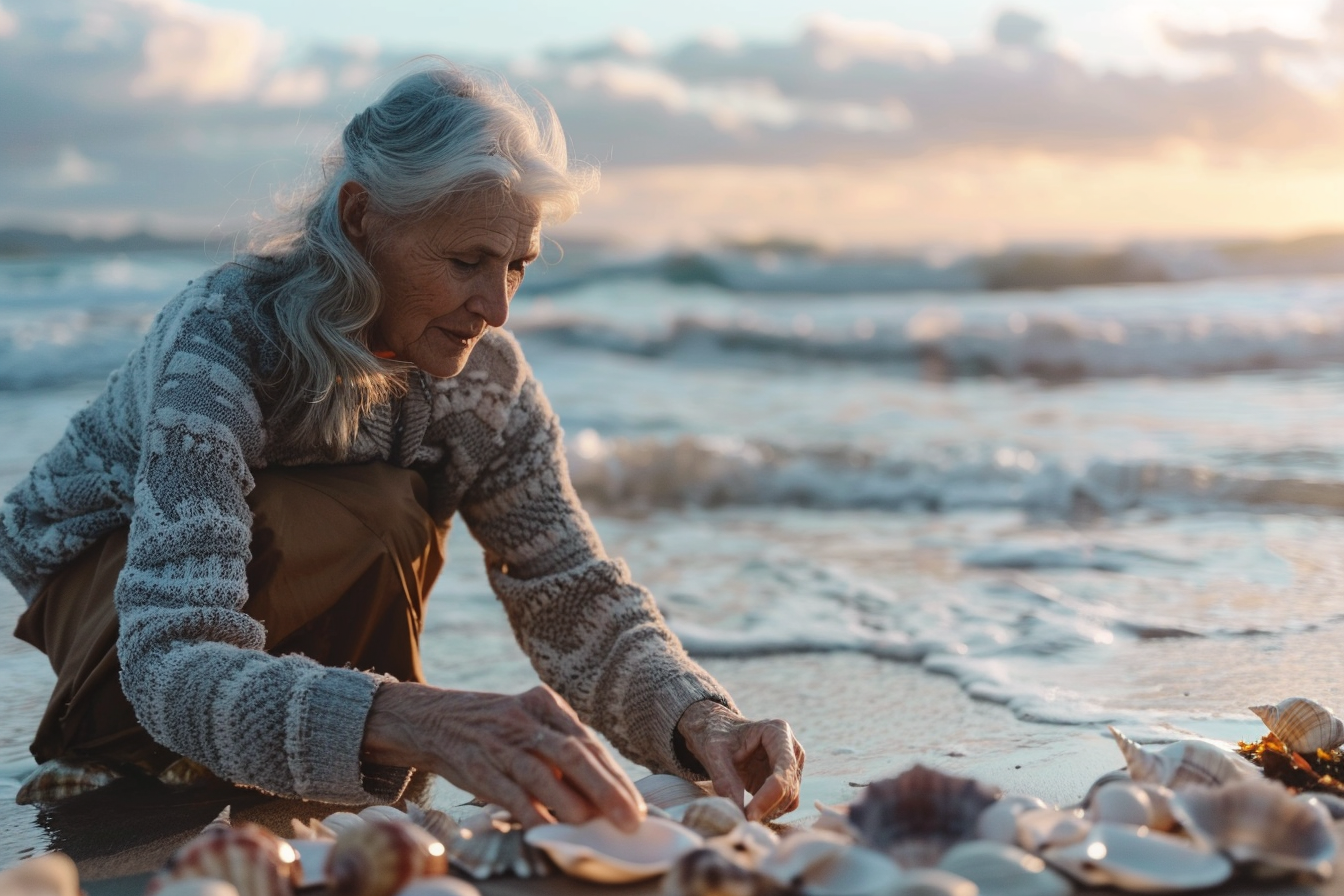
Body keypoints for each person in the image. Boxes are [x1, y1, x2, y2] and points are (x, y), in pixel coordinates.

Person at [0, 61, 804, 828]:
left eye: (517, 266)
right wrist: (422, 718)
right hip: (111, 620)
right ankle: (131, 761)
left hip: (242, 630)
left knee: (385, 511)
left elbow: (570, 585)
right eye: (466, 261)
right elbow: (173, 654)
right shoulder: (225, 338)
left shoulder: (486, 380)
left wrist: (701, 720)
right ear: (360, 219)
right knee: (376, 514)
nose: (496, 306)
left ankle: (307, 763)